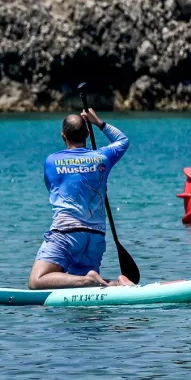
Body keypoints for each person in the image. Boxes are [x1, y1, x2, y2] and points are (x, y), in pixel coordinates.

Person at [28, 108, 132, 289]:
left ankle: (88, 279)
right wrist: (99, 123)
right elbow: (122, 140)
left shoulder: (52, 161)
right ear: (87, 133)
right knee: (85, 291)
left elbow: (51, 188)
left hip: (67, 233)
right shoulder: (102, 156)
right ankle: (116, 283)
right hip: (96, 236)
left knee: (37, 281)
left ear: (63, 136)